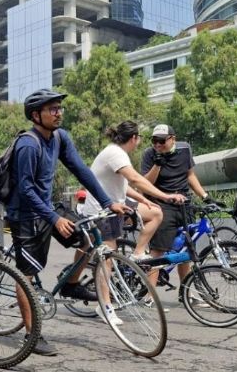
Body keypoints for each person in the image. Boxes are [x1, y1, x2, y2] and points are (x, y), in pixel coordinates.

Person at [6, 89, 130, 356]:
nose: (59, 112)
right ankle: (32, 335)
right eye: (52, 109)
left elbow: (81, 171)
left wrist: (108, 202)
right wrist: (54, 218)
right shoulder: (28, 144)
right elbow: (26, 190)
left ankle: (72, 284)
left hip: (47, 207)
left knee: (88, 235)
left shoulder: (60, 137)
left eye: (60, 108)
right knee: (25, 275)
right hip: (25, 214)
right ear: (36, 115)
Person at [80, 121, 186, 324]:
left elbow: (125, 185)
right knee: (106, 260)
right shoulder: (115, 153)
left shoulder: (119, 154)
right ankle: (105, 306)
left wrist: (143, 199)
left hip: (115, 207)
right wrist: (165, 195)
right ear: (134, 138)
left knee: (155, 213)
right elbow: (136, 179)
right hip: (101, 212)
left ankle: (137, 253)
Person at [140, 124, 213, 298]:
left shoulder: (185, 149)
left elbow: (190, 175)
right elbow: (145, 185)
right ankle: (150, 296)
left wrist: (204, 196)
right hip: (161, 204)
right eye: (154, 141)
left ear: (173, 138)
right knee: (158, 250)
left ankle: (186, 292)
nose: (157, 145)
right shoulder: (149, 154)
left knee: (187, 249)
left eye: (161, 141)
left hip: (184, 204)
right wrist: (157, 164)